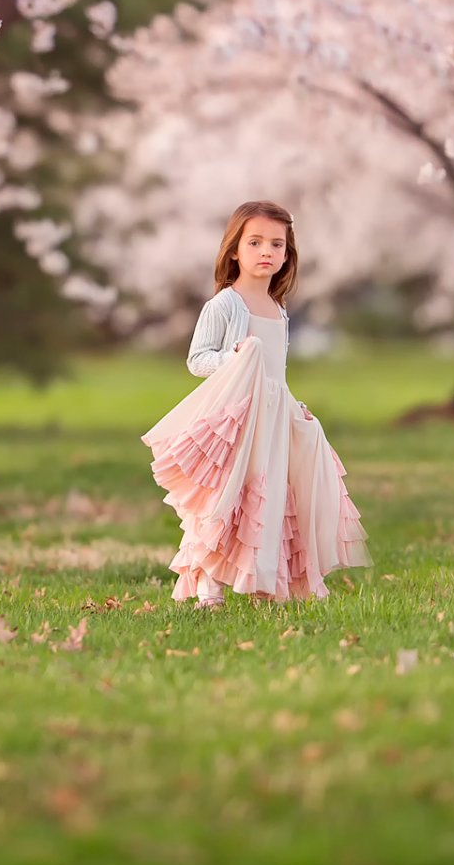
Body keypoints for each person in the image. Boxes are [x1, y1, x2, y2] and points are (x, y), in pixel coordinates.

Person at [143, 200, 371, 607]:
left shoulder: (279, 310)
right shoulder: (225, 305)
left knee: (267, 496)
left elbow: (275, 373)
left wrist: (294, 405)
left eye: (277, 245)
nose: (267, 252)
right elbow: (198, 359)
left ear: (287, 254)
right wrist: (234, 357)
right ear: (234, 249)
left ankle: (264, 579)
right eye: (255, 242)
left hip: (273, 417)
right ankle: (208, 587)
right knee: (224, 498)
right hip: (236, 418)